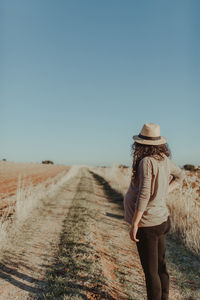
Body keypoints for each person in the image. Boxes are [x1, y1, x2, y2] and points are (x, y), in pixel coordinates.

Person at [123, 123, 185, 300]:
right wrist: (164, 190)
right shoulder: (163, 159)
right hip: (162, 220)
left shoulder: (146, 162)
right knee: (160, 267)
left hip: (148, 224)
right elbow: (180, 175)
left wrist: (135, 223)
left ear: (140, 144)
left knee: (151, 274)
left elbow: (144, 194)